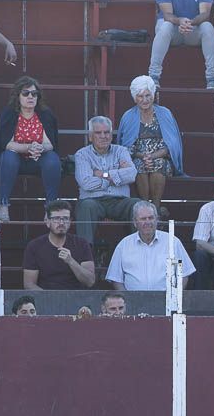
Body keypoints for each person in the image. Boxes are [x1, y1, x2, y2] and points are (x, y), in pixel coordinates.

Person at [0, 76, 60, 222]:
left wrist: (39, 148)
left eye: (34, 94)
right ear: (18, 96)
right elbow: (7, 144)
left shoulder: (45, 114)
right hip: (15, 160)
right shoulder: (10, 114)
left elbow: (50, 144)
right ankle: (3, 204)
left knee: (53, 159)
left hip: (37, 159)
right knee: (8, 156)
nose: (30, 97)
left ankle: (51, 207)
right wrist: (29, 147)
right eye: (26, 93)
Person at [119, 75, 184, 218]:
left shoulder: (165, 113)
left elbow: (172, 144)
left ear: (153, 95)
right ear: (135, 98)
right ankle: (144, 207)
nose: (145, 100)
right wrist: (143, 156)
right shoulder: (128, 116)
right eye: (140, 96)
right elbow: (125, 146)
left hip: (162, 155)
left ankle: (155, 208)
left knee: (159, 164)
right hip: (138, 156)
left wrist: (152, 156)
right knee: (137, 165)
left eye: (148, 95)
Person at [74, 116, 141, 244]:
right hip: (93, 201)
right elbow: (86, 183)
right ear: (90, 136)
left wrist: (102, 175)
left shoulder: (121, 151)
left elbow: (132, 174)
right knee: (86, 207)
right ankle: (86, 254)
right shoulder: (82, 154)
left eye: (107, 132)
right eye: (98, 133)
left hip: (119, 201)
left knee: (137, 205)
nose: (103, 136)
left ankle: (139, 249)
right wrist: (117, 176)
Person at [105, 201, 195, 291]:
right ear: (135, 222)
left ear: (157, 220)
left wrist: (173, 300)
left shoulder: (173, 242)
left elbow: (184, 275)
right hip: (133, 301)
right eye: (143, 219)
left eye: (151, 218)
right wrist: (127, 301)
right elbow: (116, 279)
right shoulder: (124, 245)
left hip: (166, 301)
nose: (147, 222)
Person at [22, 200, 95, 290]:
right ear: (47, 221)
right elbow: (29, 284)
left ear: (70, 221)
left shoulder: (82, 244)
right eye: (56, 218)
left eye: (65, 218)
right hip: (45, 298)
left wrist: (71, 261)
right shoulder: (34, 246)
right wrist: (51, 299)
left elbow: (90, 281)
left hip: (76, 298)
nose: (61, 223)